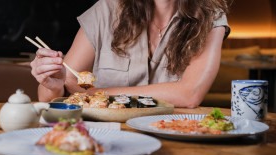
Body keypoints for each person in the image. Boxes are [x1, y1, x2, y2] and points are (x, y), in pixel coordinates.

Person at [30, 0, 231, 108]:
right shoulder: (106, 10)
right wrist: (53, 86)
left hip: (173, 136)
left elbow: (190, 95)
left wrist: (95, 94)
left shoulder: (210, 16)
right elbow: (56, 96)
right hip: (105, 138)